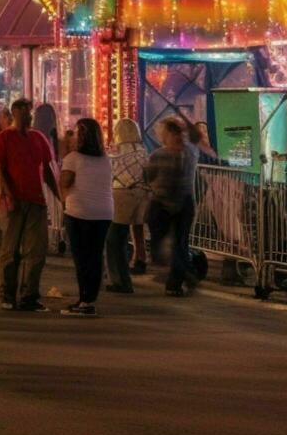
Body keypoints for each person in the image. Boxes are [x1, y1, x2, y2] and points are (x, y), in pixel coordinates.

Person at [0, 97, 59, 312]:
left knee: (36, 250)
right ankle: (8, 293)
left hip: (36, 200)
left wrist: (58, 195)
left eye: (31, 112)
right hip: (14, 202)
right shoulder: (3, 139)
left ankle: (29, 294)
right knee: (11, 251)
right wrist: (9, 196)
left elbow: (46, 170)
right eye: (27, 112)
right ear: (16, 112)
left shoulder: (38, 138)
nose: (30, 116)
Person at [59, 117, 113, 316]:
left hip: (79, 211)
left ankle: (84, 300)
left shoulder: (73, 159)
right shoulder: (105, 160)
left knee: (82, 258)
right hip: (103, 212)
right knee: (96, 256)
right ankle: (90, 298)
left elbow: (64, 182)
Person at [144, 118, 197, 297]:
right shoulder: (190, 152)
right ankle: (178, 279)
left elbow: (148, 176)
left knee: (162, 239)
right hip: (186, 202)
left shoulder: (159, 155)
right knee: (180, 242)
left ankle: (178, 271)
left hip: (163, 202)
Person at [106, 117, 150, 292]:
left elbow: (111, 173)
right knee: (126, 236)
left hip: (121, 198)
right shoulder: (143, 153)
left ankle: (118, 279)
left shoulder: (117, 155)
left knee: (113, 241)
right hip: (141, 198)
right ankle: (135, 264)